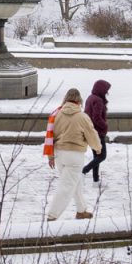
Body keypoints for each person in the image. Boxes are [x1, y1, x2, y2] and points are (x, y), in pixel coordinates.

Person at [45, 87, 101, 221]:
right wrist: (98, 148)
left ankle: (81, 211)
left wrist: (50, 155)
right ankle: (52, 215)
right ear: (79, 101)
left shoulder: (56, 114)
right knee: (66, 187)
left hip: (59, 154)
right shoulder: (82, 117)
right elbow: (91, 134)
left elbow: (51, 136)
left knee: (74, 183)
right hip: (74, 155)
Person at [82, 79, 112, 184]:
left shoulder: (90, 98)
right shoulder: (98, 100)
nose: (107, 93)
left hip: (91, 131)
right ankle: (84, 170)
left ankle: (96, 179)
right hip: (98, 132)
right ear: (101, 90)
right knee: (102, 156)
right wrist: (105, 125)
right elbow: (96, 118)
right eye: (106, 90)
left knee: (97, 156)